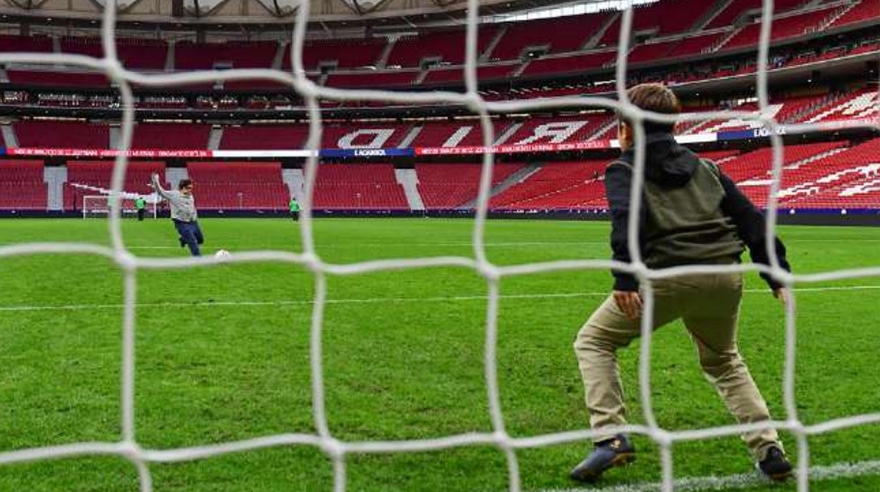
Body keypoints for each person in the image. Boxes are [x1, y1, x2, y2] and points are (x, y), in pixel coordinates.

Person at [570, 83, 793, 484]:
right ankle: (769, 448)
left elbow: (626, 220)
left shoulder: (624, 168)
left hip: (668, 278)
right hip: (725, 277)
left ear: (626, 128)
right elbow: (751, 218)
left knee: (594, 341)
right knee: (724, 361)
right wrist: (774, 271)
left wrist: (625, 276)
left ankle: (610, 437)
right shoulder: (707, 168)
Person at [150, 175, 203, 257]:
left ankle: (183, 238)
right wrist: (156, 181)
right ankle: (198, 259)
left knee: (200, 240)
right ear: (183, 187)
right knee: (192, 242)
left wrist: (194, 216)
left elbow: (191, 207)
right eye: (189, 188)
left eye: (191, 188)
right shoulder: (173, 194)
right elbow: (161, 191)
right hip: (181, 223)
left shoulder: (190, 196)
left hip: (193, 222)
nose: (191, 190)